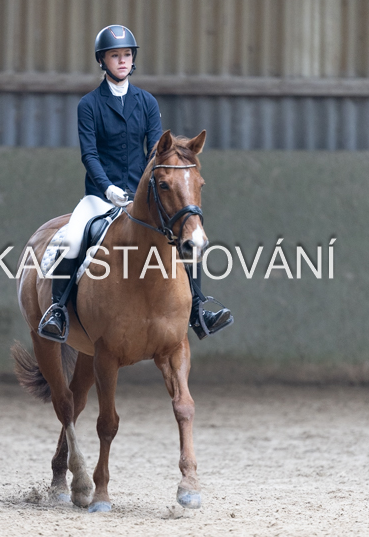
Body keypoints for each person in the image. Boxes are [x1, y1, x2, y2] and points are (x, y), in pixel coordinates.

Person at [38, 24, 233, 342]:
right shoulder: (89, 105)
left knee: (186, 236)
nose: (122, 61)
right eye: (115, 56)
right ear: (102, 61)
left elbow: (158, 152)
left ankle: (199, 309)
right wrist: (107, 187)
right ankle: (58, 310)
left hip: (142, 195)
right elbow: (89, 155)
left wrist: (144, 188)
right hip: (100, 196)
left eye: (127, 55)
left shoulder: (146, 102)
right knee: (72, 238)